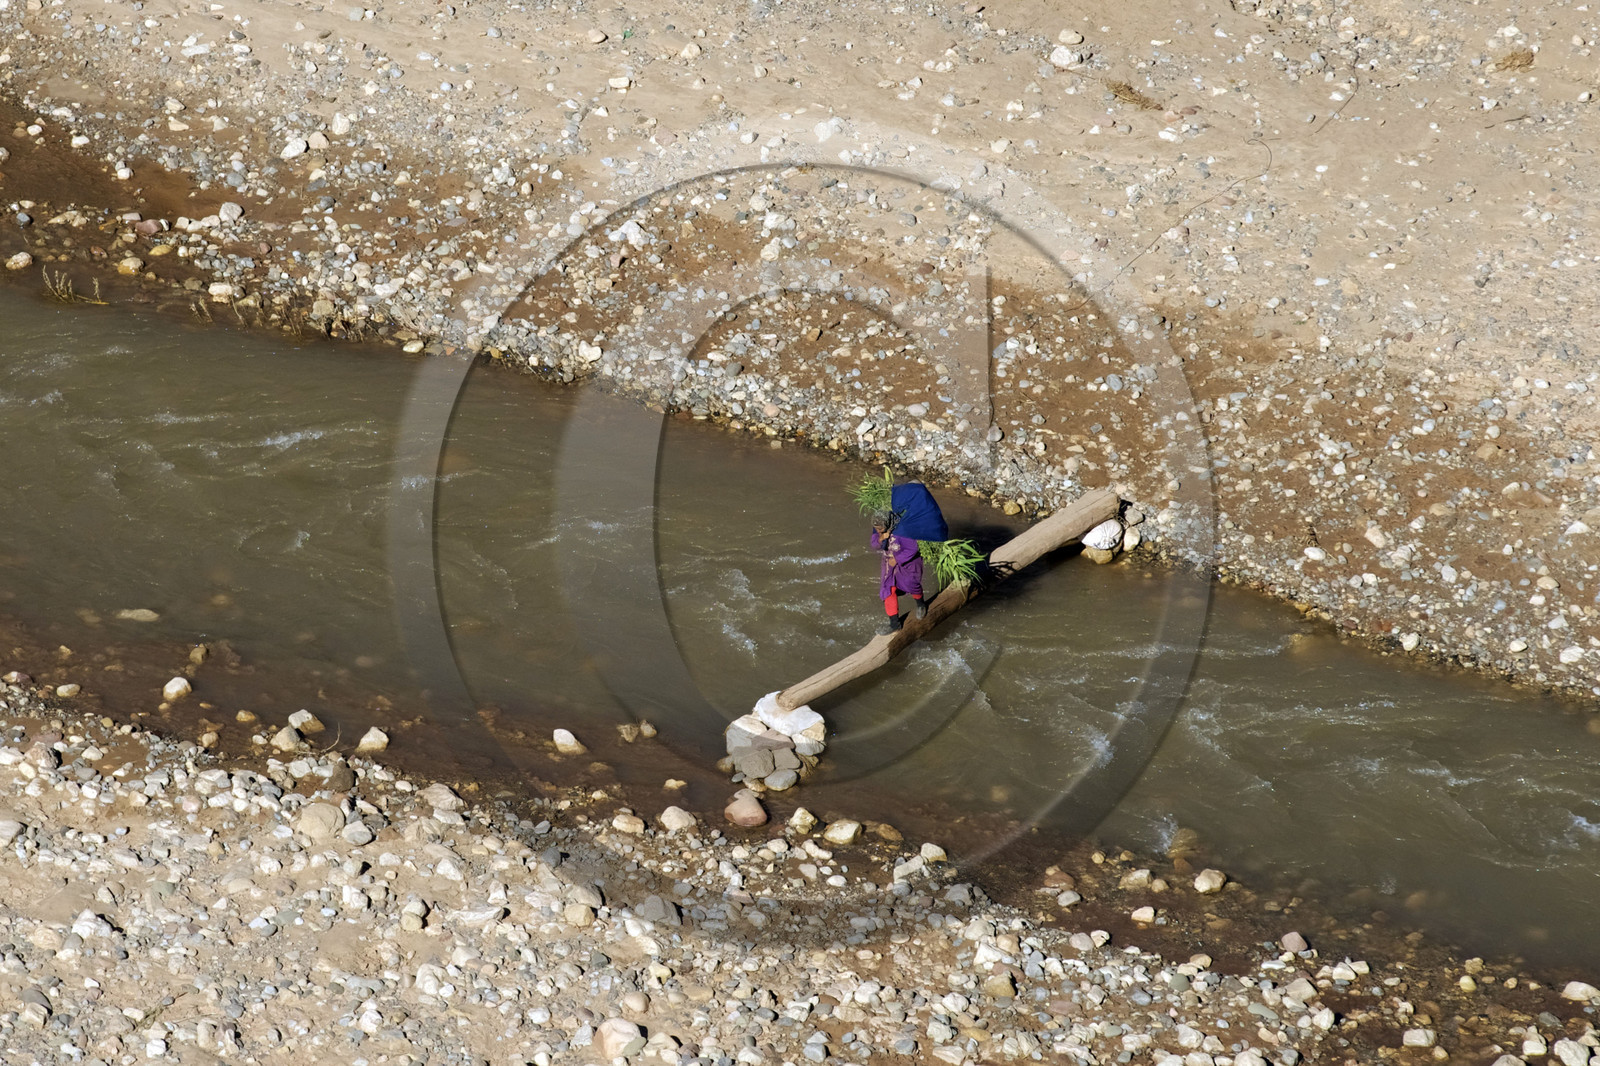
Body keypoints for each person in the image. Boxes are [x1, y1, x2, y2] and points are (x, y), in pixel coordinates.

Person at [870, 510, 927, 633]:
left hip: (908, 564)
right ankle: (895, 624)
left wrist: (897, 558)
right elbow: (874, 544)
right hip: (888, 564)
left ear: (888, 523)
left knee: (912, 585)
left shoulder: (903, 530)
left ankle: (921, 604)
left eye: (881, 529)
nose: (878, 531)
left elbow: (912, 548)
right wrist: (881, 538)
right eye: (876, 529)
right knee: (888, 589)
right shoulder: (879, 527)